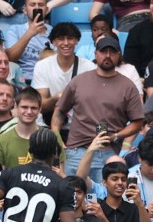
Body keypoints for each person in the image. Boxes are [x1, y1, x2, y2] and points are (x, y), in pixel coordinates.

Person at [53, 36, 144, 183]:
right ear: (96, 54)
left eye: (112, 52)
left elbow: (138, 122)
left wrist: (116, 136)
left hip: (107, 152)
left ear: (118, 55)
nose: (107, 55)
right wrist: (57, 138)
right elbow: (59, 111)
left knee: (103, 202)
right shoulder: (79, 81)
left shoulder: (128, 86)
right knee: (71, 198)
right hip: (76, 150)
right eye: (103, 51)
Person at [31, 22, 95, 120]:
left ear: (77, 41)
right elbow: (40, 106)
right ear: (53, 42)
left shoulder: (89, 67)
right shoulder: (42, 66)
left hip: (80, 123)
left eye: (70, 38)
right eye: (60, 39)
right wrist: (56, 98)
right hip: (49, 123)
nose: (65, 43)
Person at [4, 0, 54, 82]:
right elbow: (10, 58)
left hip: (47, 80)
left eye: (41, 5)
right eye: (32, 5)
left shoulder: (54, 31)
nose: (36, 8)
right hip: (22, 80)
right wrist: (30, 33)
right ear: (25, 10)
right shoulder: (15, 30)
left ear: (46, 10)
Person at [0, 88, 44, 168]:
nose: (29, 112)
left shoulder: (51, 138)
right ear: (16, 106)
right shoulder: (1, 141)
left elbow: (58, 174)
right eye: (24, 107)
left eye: (33, 108)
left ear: (40, 109)